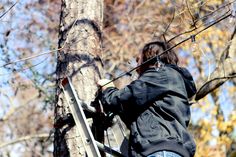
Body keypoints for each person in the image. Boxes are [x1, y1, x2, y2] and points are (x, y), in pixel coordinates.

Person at [97, 41, 197, 157]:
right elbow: (131, 110)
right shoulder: (166, 84)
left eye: (138, 59)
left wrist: (108, 89)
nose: (136, 67)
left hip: (160, 150)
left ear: (150, 57)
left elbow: (124, 98)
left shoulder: (161, 74)